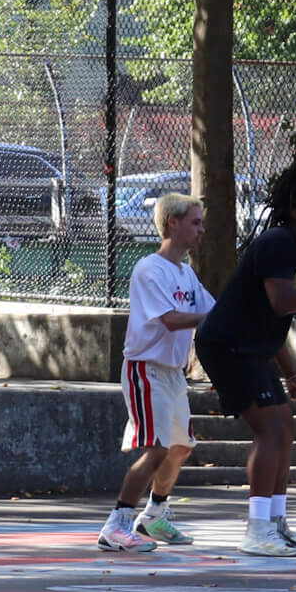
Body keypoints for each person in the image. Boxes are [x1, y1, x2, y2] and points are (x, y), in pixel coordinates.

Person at [194, 153, 296, 558]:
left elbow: (272, 322)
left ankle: (275, 522)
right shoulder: (277, 243)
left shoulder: (295, 251)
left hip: (251, 346)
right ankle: (256, 530)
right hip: (227, 345)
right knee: (270, 430)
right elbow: (281, 302)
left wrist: (291, 373)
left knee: (284, 427)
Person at [98, 193, 211, 552]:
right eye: (195, 222)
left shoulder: (187, 274)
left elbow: (215, 310)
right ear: (172, 224)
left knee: (180, 447)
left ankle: (154, 516)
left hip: (173, 374)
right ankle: (116, 525)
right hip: (145, 370)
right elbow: (170, 319)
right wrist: (217, 318)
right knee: (158, 449)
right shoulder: (149, 269)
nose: (201, 229)